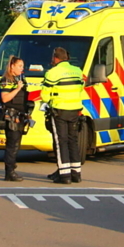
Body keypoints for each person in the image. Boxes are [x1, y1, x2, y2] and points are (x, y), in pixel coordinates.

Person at [41, 47, 86, 184]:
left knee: (61, 142)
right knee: (73, 140)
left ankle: (64, 175)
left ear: (55, 58)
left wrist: (49, 101)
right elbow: (81, 88)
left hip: (59, 111)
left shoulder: (52, 73)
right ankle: (76, 173)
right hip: (74, 110)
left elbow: (44, 95)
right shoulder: (78, 71)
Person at [0, 56, 29, 182]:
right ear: (12, 66)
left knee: (16, 144)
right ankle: (9, 172)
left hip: (20, 115)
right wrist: (17, 89)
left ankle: (11, 168)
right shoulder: (6, 80)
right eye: (20, 66)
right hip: (11, 116)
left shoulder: (20, 79)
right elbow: (5, 98)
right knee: (12, 145)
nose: (22, 68)